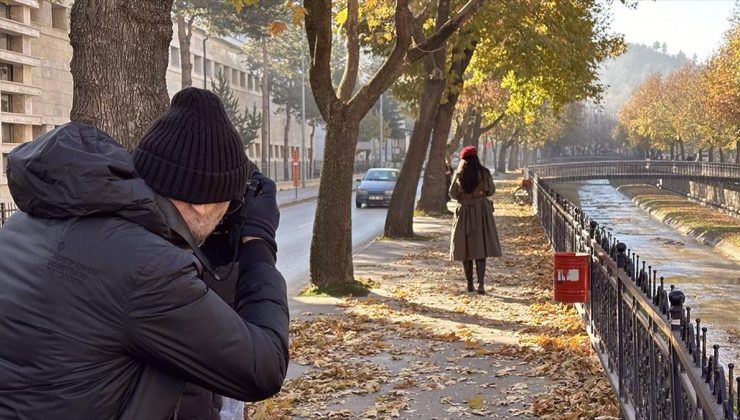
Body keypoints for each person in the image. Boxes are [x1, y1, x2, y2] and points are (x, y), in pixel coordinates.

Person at [0, 88, 289, 420]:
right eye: (230, 203)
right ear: (201, 202)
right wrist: (258, 242)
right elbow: (263, 368)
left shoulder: (35, 218)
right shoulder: (147, 269)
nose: (228, 214)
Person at [449, 146, 502, 294]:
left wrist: (464, 196)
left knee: (465, 248)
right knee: (480, 247)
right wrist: (481, 193)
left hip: (464, 212)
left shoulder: (459, 174)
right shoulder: (484, 173)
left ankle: (469, 284)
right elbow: (491, 190)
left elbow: (452, 193)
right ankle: (481, 284)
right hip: (481, 212)